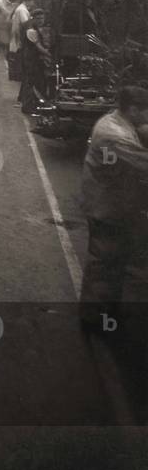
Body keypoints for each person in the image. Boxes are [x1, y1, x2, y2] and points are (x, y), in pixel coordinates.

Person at [78, 86, 148, 328]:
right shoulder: (113, 135)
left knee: (115, 261)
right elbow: (142, 162)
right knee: (103, 263)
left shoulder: (116, 119)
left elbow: (141, 131)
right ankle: (94, 318)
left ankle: (107, 311)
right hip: (106, 207)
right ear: (134, 110)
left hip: (114, 204)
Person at [19, 9, 51, 114]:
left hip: (34, 59)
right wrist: (49, 55)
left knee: (35, 82)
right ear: (33, 19)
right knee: (30, 83)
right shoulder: (31, 30)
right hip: (30, 60)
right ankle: (27, 107)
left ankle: (34, 104)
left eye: (42, 18)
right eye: (38, 19)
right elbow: (38, 47)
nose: (40, 20)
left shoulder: (38, 29)